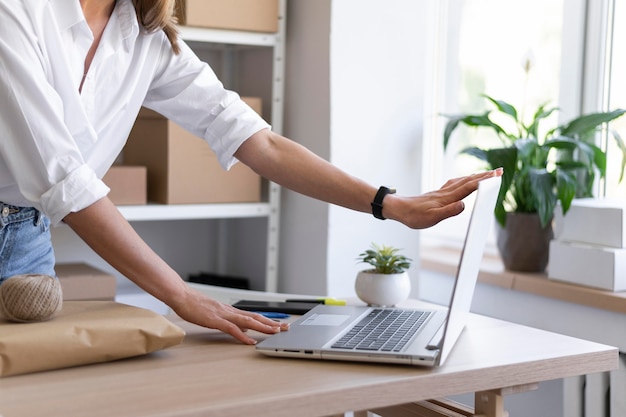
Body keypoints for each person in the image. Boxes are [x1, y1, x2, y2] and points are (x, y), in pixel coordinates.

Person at [0, 0, 502, 344]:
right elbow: (65, 179)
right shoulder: (17, 11)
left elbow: (259, 142)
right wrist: (180, 295)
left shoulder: (143, 37)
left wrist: (388, 204)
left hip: (28, 234)